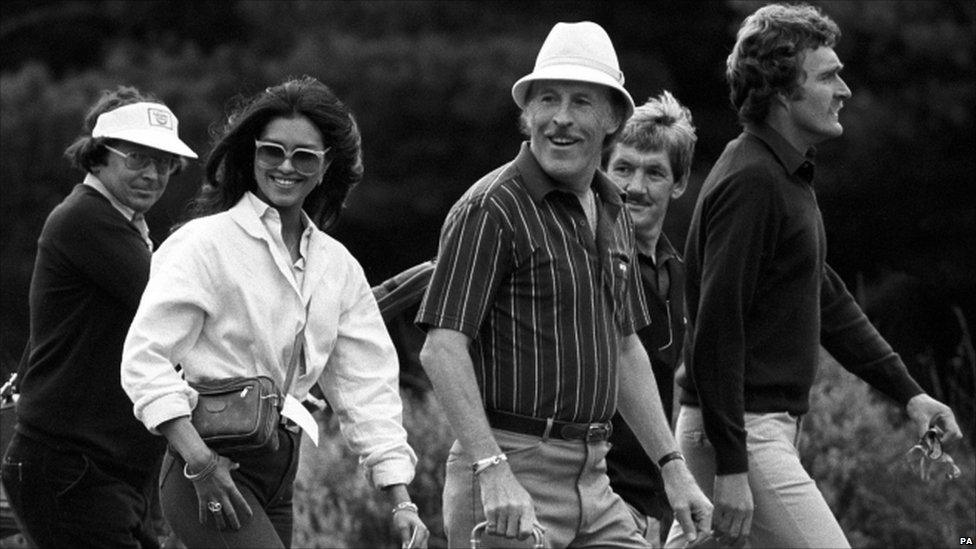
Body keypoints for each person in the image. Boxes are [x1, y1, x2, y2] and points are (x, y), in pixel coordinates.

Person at [667, 4, 964, 547]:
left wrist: (910, 394)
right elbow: (715, 328)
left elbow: (825, 297)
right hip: (743, 435)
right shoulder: (752, 181)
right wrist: (734, 465)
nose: (844, 90)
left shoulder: (784, 176)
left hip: (745, 431)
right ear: (782, 90)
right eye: (828, 76)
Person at [417, 22, 712, 548]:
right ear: (527, 115)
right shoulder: (492, 208)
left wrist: (673, 467)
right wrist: (493, 468)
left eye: (581, 102)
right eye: (547, 99)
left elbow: (625, 350)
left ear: (613, 120)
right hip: (509, 477)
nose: (561, 118)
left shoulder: (614, 210)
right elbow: (442, 349)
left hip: (596, 483)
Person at [120, 76, 429, 548]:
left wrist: (401, 499)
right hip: (205, 465)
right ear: (252, 155)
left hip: (280, 474)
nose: (286, 166)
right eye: (272, 151)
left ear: (327, 167)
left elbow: (366, 388)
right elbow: (143, 360)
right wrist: (201, 464)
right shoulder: (204, 245)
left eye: (304, 156)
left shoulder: (337, 267)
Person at [0, 86, 197, 548]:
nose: (153, 174)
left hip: (100, 471)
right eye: (137, 159)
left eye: (165, 162)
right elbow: (180, 309)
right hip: (73, 470)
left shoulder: (122, 225)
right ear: (98, 156)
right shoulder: (88, 220)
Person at [602, 92, 696, 548]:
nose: (634, 186)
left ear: (679, 184)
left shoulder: (679, 273)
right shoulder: (585, 257)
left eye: (653, 172)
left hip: (652, 502)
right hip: (595, 495)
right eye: (623, 168)